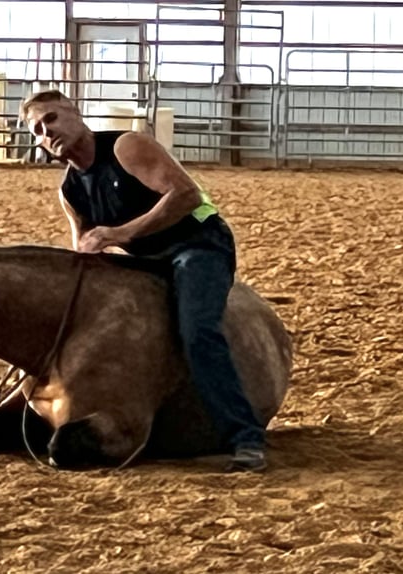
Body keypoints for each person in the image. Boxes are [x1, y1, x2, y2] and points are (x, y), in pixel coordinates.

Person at [20, 90, 267, 473]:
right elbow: (86, 252)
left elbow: (186, 195)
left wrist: (117, 234)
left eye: (51, 118)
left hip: (198, 246)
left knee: (199, 333)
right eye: (37, 130)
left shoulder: (126, 147)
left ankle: (246, 437)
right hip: (143, 261)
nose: (47, 131)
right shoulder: (70, 190)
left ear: (75, 112)